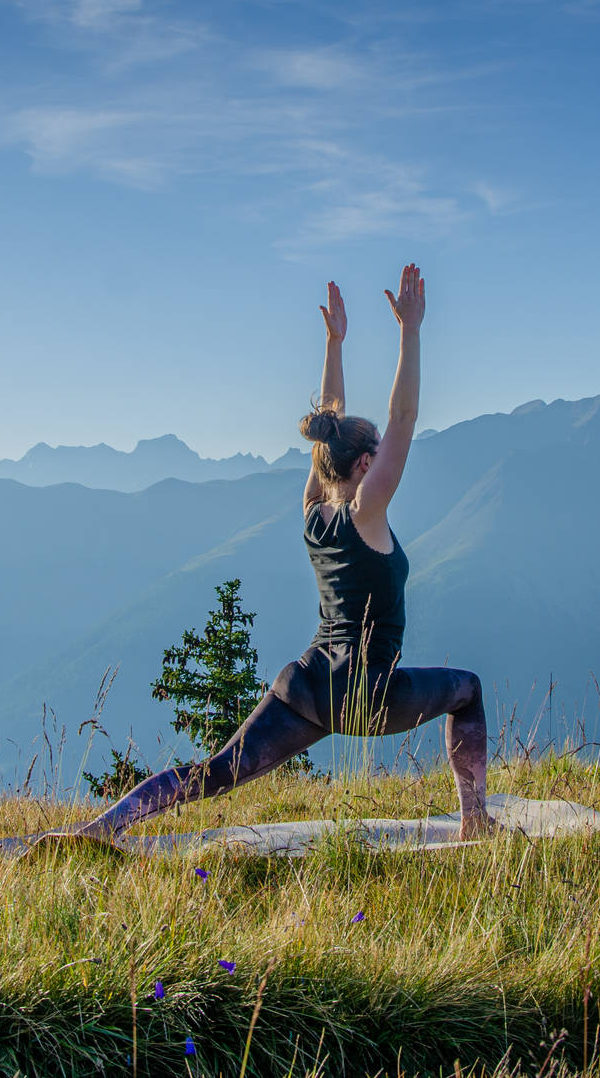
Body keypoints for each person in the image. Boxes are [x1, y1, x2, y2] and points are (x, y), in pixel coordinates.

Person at [61, 265, 493, 843]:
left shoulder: (313, 508)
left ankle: (100, 828)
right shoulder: (365, 512)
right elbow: (403, 419)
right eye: (376, 454)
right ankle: (474, 821)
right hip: (366, 693)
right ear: (367, 465)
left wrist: (334, 343)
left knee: (214, 773)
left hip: (308, 685)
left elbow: (329, 428)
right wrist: (410, 332)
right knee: (467, 689)